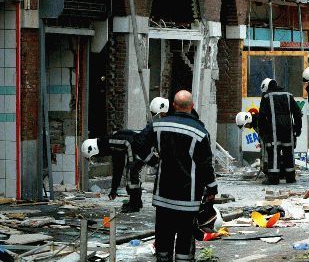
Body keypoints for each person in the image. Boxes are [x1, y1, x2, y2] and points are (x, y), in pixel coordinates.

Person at [135, 90, 217, 262]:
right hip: (188, 199)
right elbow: (205, 166)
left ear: (173, 105)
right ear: (192, 107)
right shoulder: (200, 132)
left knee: (163, 237)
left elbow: (138, 144)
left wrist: (153, 161)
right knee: (185, 240)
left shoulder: (158, 126)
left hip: (163, 196)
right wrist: (212, 189)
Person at [81, 129, 155, 213]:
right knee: (131, 173)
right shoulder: (110, 144)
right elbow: (118, 167)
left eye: (95, 156)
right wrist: (114, 190)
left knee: (131, 173)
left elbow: (128, 142)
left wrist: (131, 163)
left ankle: (134, 205)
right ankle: (136, 202)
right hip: (139, 146)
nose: (98, 157)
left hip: (140, 147)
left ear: (94, 149)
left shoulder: (108, 142)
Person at [259, 78, 303, 184]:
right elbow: (297, 112)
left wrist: (263, 133)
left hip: (273, 131)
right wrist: (298, 128)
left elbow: (261, 117)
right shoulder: (289, 95)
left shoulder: (266, 97)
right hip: (288, 130)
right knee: (289, 153)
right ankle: (290, 177)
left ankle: (273, 178)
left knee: (274, 154)